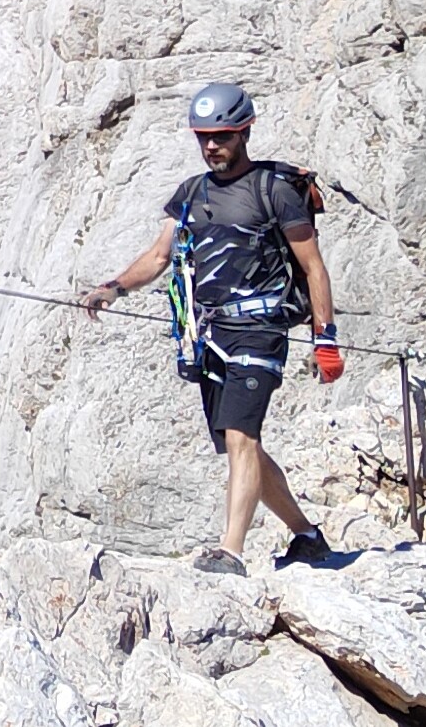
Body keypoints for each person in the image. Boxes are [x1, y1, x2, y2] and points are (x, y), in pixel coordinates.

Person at [82, 84, 339, 574]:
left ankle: (231, 552)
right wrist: (113, 287)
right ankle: (306, 536)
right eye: (204, 137)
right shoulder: (192, 194)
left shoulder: (275, 192)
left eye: (221, 136)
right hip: (209, 337)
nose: (211, 146)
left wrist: (324, 338)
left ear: (244, 132)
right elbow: (159, 256)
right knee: (243, 446)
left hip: (261, 329)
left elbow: (314, 267)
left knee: (242, 438)